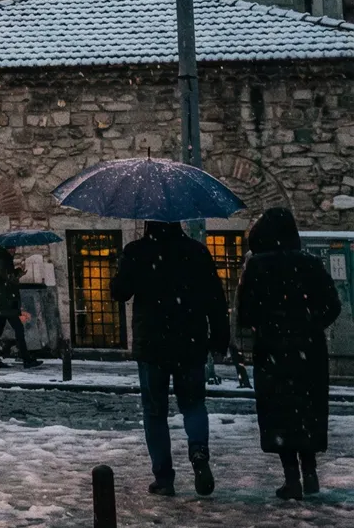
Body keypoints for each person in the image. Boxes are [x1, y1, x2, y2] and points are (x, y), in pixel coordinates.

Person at [110, 220, 230, 497]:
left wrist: (123, 267)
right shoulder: (197, 252)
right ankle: (199, 452)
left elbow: (119, 292)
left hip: (152, 345)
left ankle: (163, 477)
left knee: (155, 412)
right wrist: (219, 338)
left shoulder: (137, 251)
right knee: (194, 404)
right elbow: (215, 298)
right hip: (190, 342)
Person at [235, 207, 342, 500]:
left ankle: (291, 478)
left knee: (279, 412)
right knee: (306, 410)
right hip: (309, 352)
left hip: (273, 352)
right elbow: (333, 305)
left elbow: (244, 314)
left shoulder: (256, 267)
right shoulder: (309, 263)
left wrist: (267, 326)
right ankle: (310, 472)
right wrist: (309, 326)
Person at [0, 245, 42, 369]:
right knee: (18, 330)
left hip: (1, 302)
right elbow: (9, 278)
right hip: (6, 302)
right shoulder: (3, 260)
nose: (14, 250)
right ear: (5, 249)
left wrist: (15, 271)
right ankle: (26, 359)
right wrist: (18, 272)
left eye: (14, 248)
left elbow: (5, 278)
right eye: (11, 248)